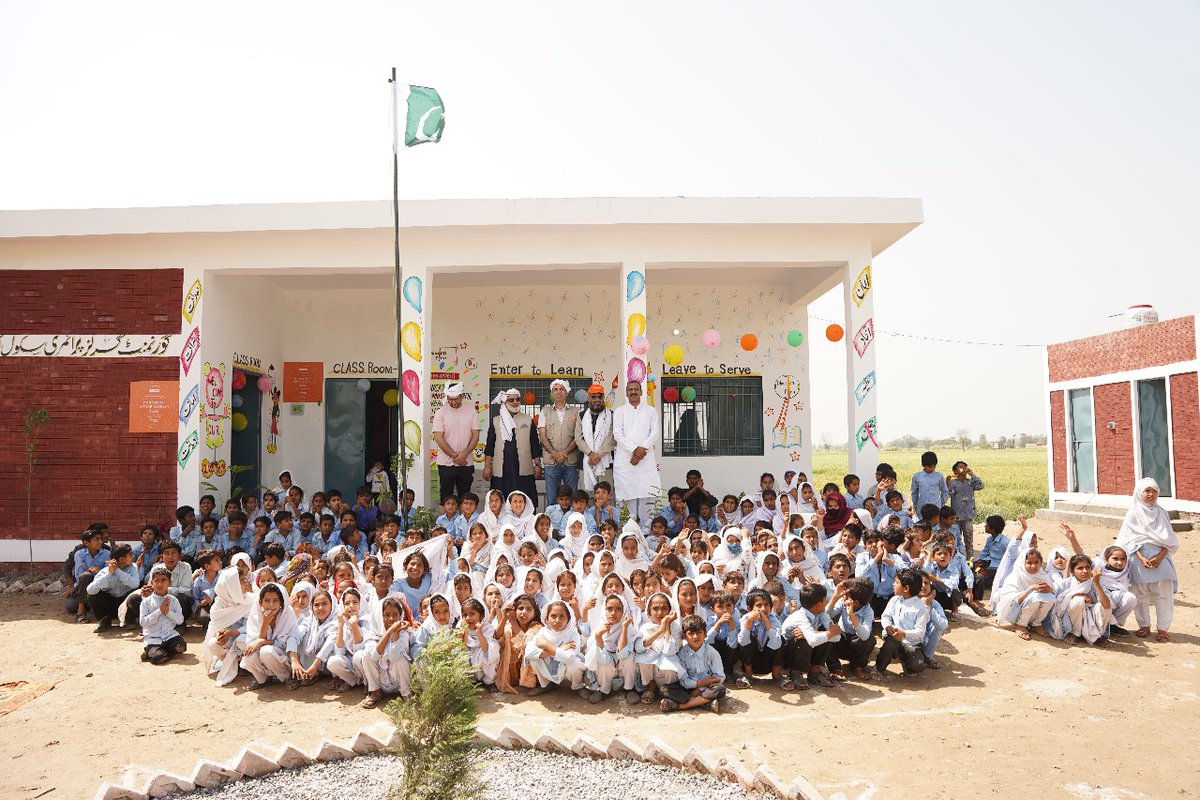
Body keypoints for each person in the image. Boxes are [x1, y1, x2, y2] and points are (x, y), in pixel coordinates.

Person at [1116, 478, 1179, 642]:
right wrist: (1142, 558)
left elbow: (1170, 540)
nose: (1151, 494)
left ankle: (1163, 629)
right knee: (1140, 594)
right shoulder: (1133, 513)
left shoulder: (1162, 512)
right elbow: (1127, 540)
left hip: (1161, 559)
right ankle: (1144, 625)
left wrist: (1159, 558)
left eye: (1154, 491)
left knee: (1163, 595)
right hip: (1138, 559)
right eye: (1147, 491)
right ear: (1139, 493)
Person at [612, 380, 661, 530]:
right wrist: (634, 449)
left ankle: (646, 528)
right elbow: (617, 434)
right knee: (627, 492)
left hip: (645, 459)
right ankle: (629, 528)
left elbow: (655, 433)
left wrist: (640, 452)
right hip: (625, 460)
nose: (633, 392)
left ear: (641, 392)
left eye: (636, 389)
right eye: (630, 390)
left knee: (646, 491)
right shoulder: (620, 411)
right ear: (626, 393)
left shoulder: (651, 411)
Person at [483, 388, 543, 502]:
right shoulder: (496, 421)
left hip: (523, 468)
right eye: (511, 400)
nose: (515, 402)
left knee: (525, 499)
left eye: (518, 399)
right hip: (501, 468)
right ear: (505, 402)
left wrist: (537, 464)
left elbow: (534, 444)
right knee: (501, 500)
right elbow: (490, 446)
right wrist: (487, 466)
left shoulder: (527, 420)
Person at [659, 614, 726, 713]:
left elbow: (719, 677)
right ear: (684, 636)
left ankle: (681, 706)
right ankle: (705, 703)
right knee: (663, 689)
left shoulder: (712, 653)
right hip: (689, 687)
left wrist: (701, 688)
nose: (695, 637)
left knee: (720, 689)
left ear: (705, 634)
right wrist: (701, 683)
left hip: (707, 688)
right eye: (690, 633)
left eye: (699, 632)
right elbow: (683, 680)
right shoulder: (682, 653)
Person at [874, 568, 930, 677]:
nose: (893, 584)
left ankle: (907, 661)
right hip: (893, 638)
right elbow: (885, 616)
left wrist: (904, 633)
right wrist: (887, 626)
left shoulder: (921, 608)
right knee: (890, 645)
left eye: (896, 582)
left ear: (906, 588)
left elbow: (919, 633)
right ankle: (878, 669)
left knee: (917, 666)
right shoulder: (895, 600)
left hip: (911, 642)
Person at [432, 382, 481, 503]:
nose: (453, 402)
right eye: (450, 399)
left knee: (465, 497)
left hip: (466, 463)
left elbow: (475, 436)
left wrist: (464, 454)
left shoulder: (471, 412)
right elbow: (438, 437)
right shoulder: (440, 412)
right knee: (445, 498)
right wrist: (454, 456)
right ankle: (444, 522)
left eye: (456, 399)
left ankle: (464, 521)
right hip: (446, 463)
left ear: (462, 396)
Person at [538, 378, 581, 509]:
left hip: (570, 462)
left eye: (561, 389)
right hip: (551, 462)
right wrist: (555, 454)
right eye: (555, 389)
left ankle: (572, 526)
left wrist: (565, 453)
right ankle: (553, 527)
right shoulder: (545, 411)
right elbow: (542, 436)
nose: (558, 392)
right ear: (551, 393)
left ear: (567, 392)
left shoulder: (576, 411)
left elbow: (578, 436)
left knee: (572, 498)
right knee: (552, 499)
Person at [139, 565, 187, 665]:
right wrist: (159, 611)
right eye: (156, 581)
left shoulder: (173, 600)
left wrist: (167, 612)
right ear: (151, 583)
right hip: (153, 638)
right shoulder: (146, 602)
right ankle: (153, 652)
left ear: (170, 583)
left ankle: (156, 653)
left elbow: (180, 620)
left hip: (169, 636)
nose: (160, 584)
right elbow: (143, 622)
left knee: (182, 646)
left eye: (164, 580)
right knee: (157, 658)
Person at [85, 544, 139, 631]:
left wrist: (117, 571)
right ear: (121, 559)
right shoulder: (105, 571)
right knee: (93, 595)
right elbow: (90, 590)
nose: (132, 556)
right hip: (110, 605)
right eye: (130, 554)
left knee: (135, 593)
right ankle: (104, 620)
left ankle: (129, 619)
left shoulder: (133, 567)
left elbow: (135, 584)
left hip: (125, 604)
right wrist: (109, 574)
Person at [575, 383, 616, 493]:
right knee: (587, 496)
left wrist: (599, 455)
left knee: (607, 496)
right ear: (588, 398)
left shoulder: (611, 415)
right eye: (593, 397)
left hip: (606, 462)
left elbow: (612, 439)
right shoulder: (581, 415)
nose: (597, 400)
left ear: (603, 398)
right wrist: (591, 454)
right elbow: (578, 438)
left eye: (599, 396)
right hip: (586, 461)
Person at [946, 461, 984, 557]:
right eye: (960, 467)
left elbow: (981, 486)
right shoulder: (952, 482)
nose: (963, 468)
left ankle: (970, 561)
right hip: (955, 517)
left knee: (969, 541)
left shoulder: (970, 482)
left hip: (968, 516)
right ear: (955, 471)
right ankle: (957, 559)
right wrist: (947, 484)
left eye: (964, 467)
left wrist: (972, 474)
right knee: (955, 540)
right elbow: (948, 494)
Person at [910, 452, 948, 521]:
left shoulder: (939, 476)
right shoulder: (917, 476)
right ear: (923, 465)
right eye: (929, 467)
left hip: (936, 506)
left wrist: (941, 503)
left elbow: (944, 491)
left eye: (934, 466)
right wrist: (916, 505)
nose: (932, 469)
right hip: (922, 507)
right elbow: (914, 492)